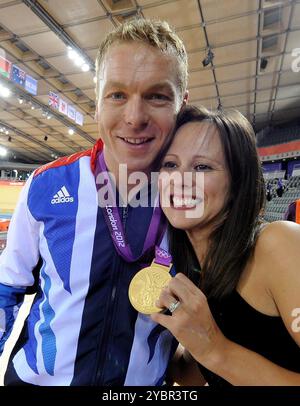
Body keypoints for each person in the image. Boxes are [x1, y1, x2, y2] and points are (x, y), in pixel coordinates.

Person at [0, 18, 188, 386]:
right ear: (97, 102)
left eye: (157, 96)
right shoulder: (47, 185)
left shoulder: (194, 200)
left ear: (183, 104)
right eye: (117, 94)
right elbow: (6, 288)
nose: (135, 118)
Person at [152, 105, 300, 386]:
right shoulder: (194, 271)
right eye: (170, 164)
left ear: (238, 181)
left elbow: (217, 354)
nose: (180, 180)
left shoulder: (278, 245)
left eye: (202, 167)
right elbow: (192, 376)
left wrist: (215, 349)